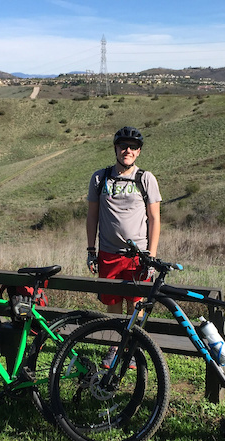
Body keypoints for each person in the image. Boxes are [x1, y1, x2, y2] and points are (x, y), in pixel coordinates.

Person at [86, 126, 162, 368]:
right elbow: (92, 217)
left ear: (138, 152)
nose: (127, 150)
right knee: (113, 306)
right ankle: (114, 348)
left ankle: (131, 349)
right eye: (123, 146)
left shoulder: (145, 178)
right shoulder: (100, 178)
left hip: (138, 255)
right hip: (108, 253)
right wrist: (91, 250)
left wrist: (152, 255)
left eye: (132, 147)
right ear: (115, 149)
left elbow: (155, 219)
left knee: (136, 304)